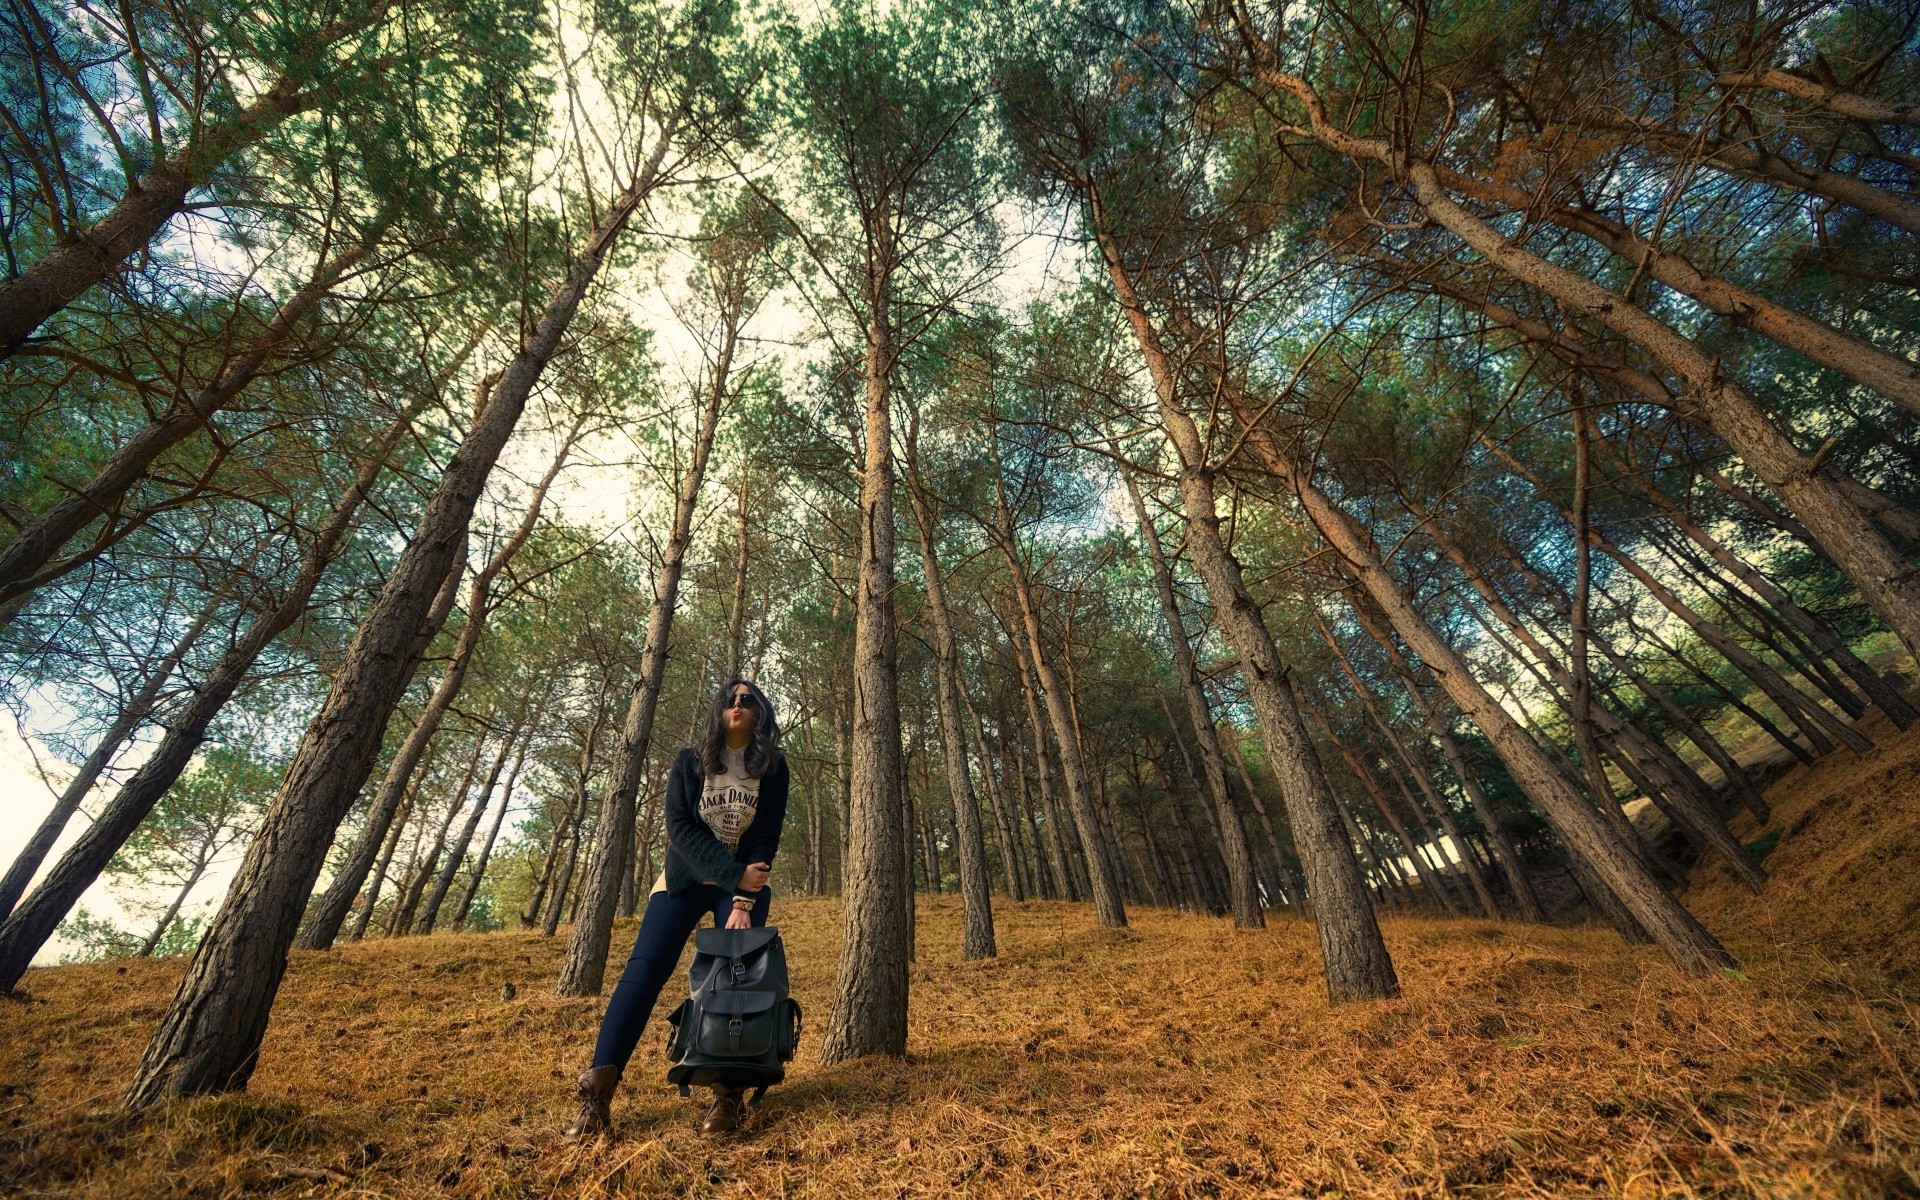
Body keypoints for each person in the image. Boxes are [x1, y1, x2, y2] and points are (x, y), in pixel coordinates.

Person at [570, 677, 788, 1137]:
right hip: (683, 882)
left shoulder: (772, 767)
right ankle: (596, 1096)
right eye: (730, 699)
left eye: (747, 700)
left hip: (742, 889)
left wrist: (744, 898)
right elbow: (680, 830)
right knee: (642, 973)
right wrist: (734, 877)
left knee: (734, 987)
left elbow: (767, 835)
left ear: (759, 712)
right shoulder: (690, 762)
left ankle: (727, 1097)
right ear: (718, 708)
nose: (737, 704)